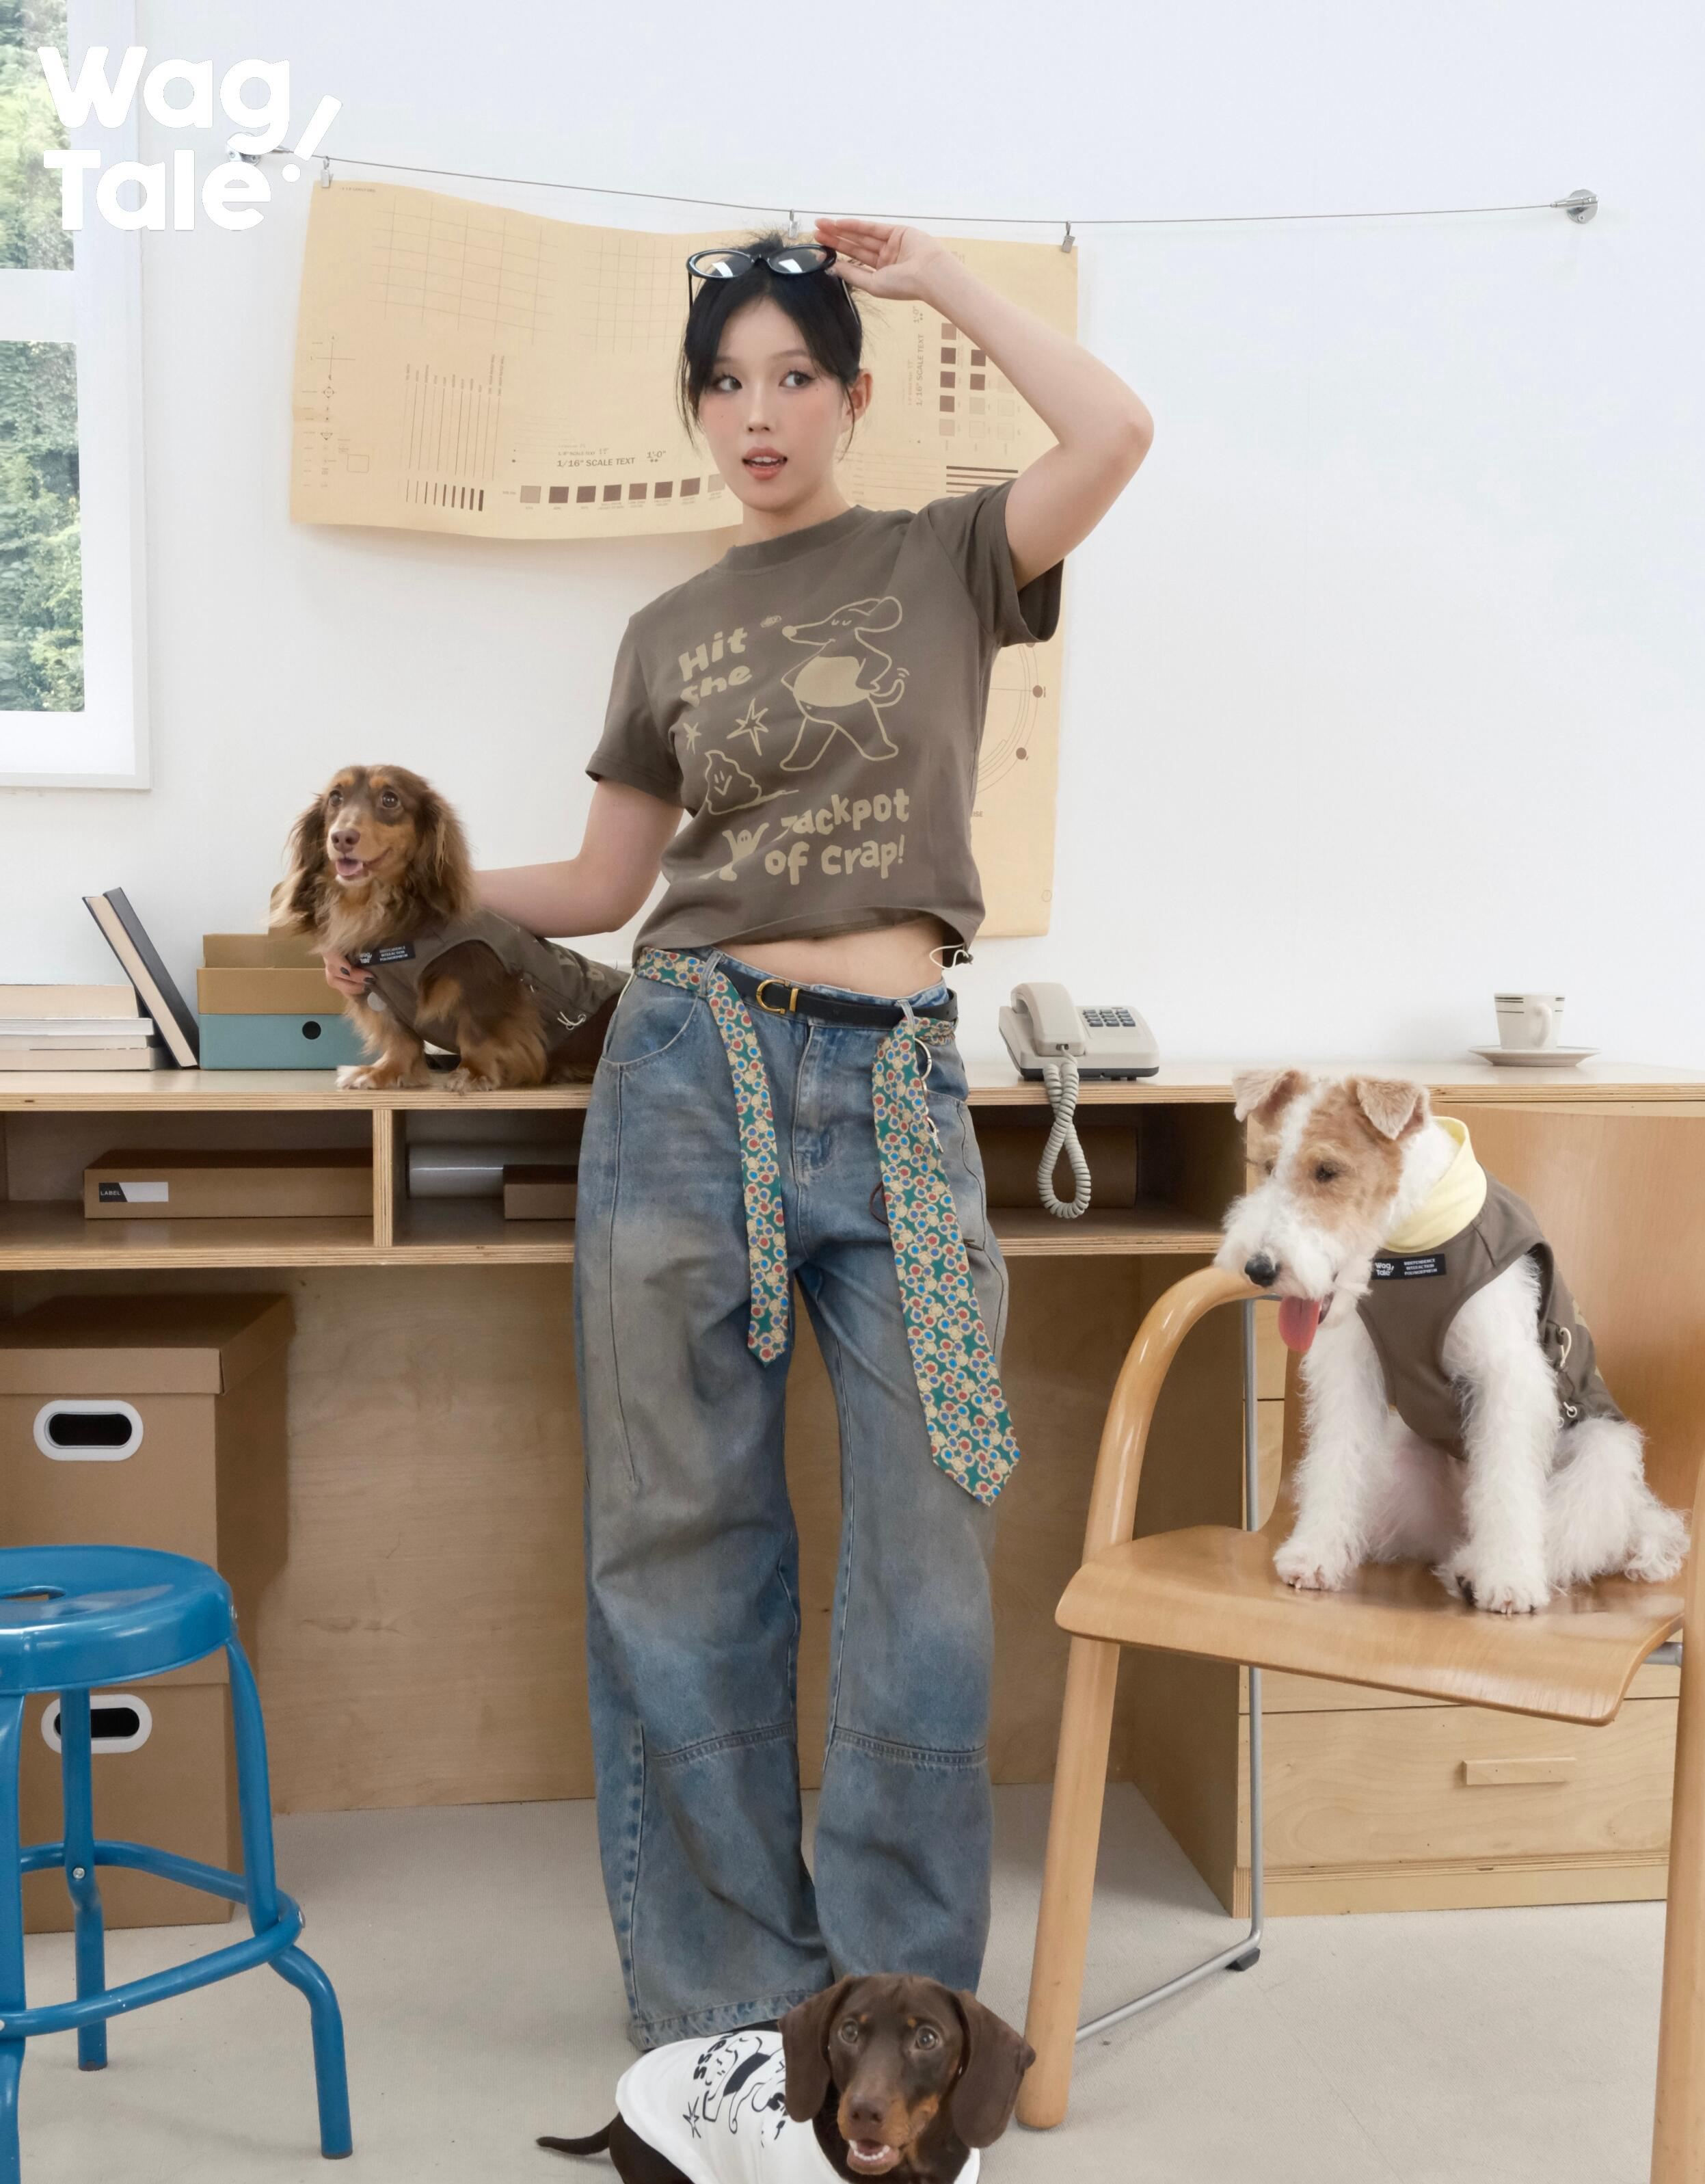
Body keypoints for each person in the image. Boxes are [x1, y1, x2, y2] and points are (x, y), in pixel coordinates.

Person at [326, 219, 1151, 2049]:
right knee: (682, 1537)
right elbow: (605, 886)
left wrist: (940, 278)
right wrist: (410, 902)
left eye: (793, 377)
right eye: (725, 383)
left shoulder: (947, 555)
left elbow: (1114, 434)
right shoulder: (668, 633)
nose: (758, 413)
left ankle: (900, 2027)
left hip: (898, 1079)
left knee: (928, 1541)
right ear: (695, 408)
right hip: (687, 1068)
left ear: (852, 396)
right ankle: (728, 2013)